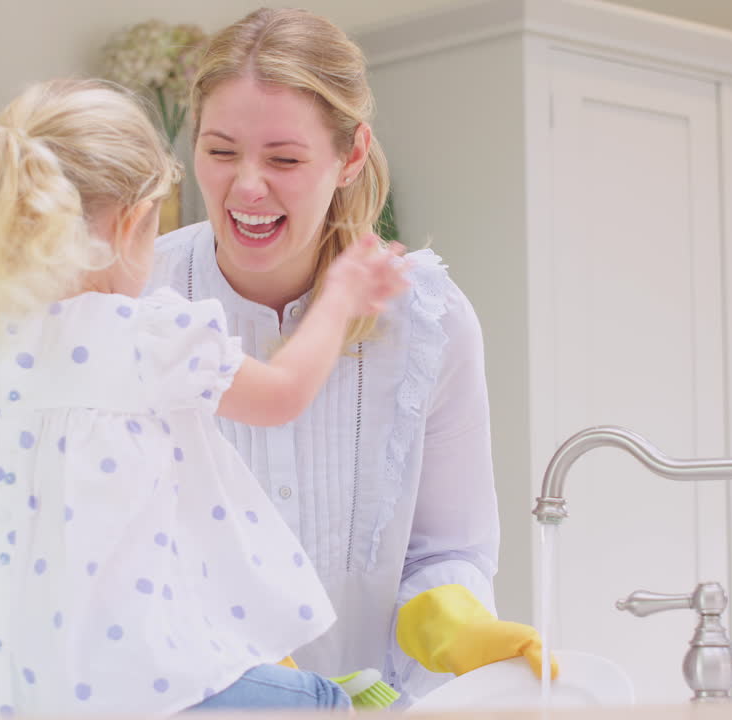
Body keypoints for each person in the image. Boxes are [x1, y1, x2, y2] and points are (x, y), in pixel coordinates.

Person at [0, 77, 408, 716]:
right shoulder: (139, 334)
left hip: (9, 698)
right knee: (320, 702)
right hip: (149, 690)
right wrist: (340, 297)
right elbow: (280, 396)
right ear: (133, 222)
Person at [147, 7, 555, 706]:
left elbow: (445, 548)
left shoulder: (428, 321)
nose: (247, 186)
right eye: (220, 151)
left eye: (284, 159)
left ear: (351, 156)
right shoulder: (139, 303)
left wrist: (449, 622)